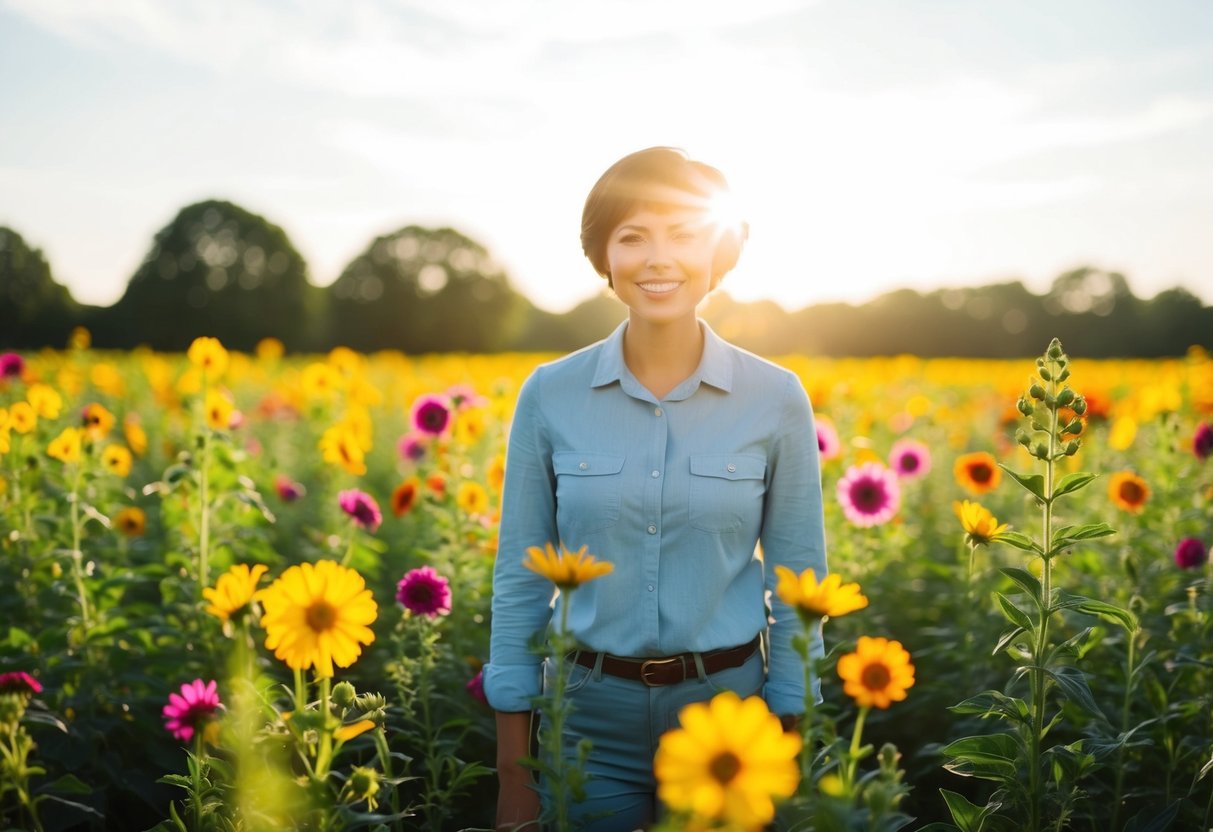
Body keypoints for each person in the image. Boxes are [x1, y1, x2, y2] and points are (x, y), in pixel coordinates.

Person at [484, 146, 827, 830]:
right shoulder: (549, 394)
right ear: (604, 257)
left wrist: (785, 745)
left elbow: (798, 586)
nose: (657, 258)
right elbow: (519, 582)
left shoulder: (776, 397)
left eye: (683, 234)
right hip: (584, 719)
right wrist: (513, 777)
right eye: (632, 236)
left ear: (717, 252)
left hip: (726, 724)